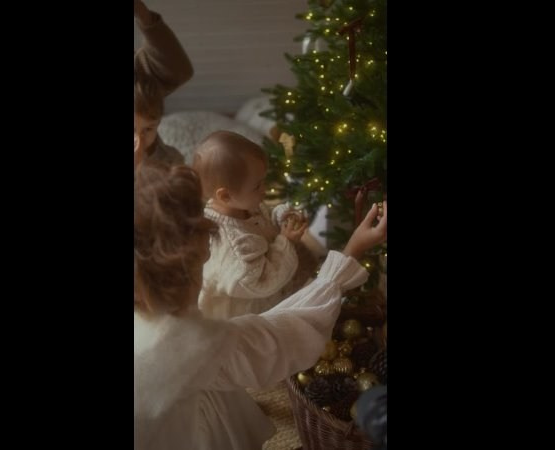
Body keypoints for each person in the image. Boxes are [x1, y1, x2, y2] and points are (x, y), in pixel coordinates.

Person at [134, 159, 387, 449]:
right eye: (201, 264)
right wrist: (351, 252)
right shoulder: (199, 343)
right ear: (178, 278)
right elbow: (283, 334)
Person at [192, 130, 318, 319]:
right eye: (257, 186)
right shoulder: (232, 245)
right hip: (241, 317)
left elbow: (263, 222)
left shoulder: (241, 205)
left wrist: (281, 217)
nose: (265, 190)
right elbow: (264, 281)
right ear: (225, 196)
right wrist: (286, 242)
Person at [134, 0, 193, 169]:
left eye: (148, 129)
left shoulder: (169, 161)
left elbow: (179, 70)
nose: (140, 141)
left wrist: (144, 16)